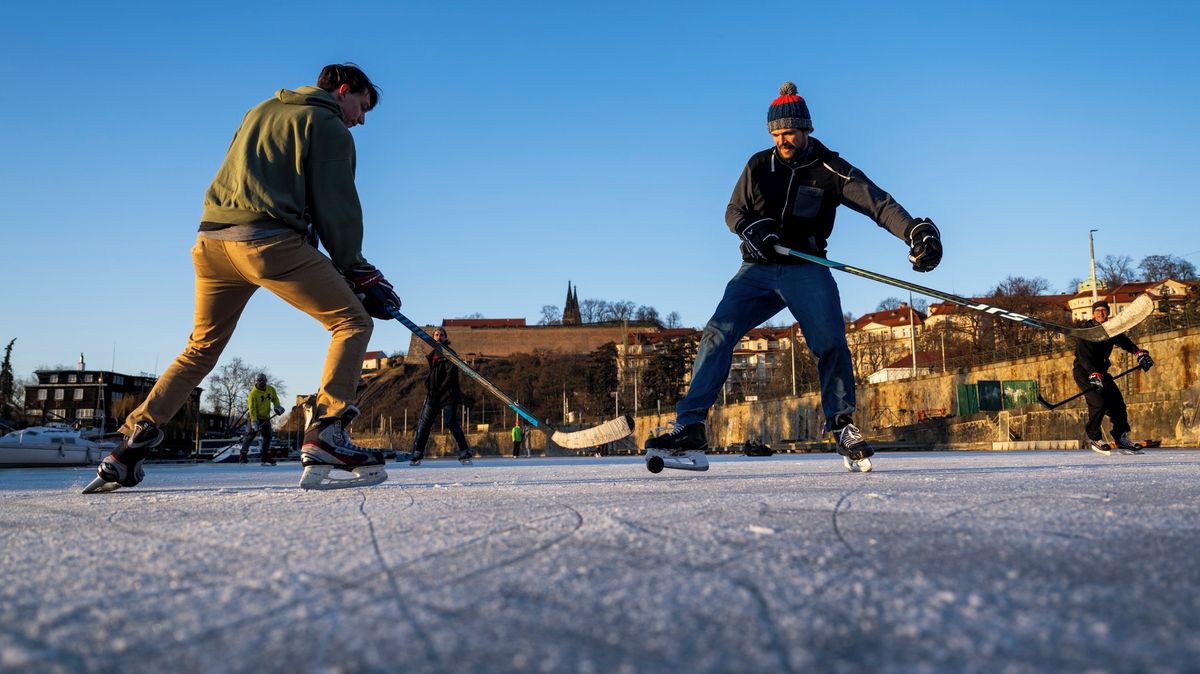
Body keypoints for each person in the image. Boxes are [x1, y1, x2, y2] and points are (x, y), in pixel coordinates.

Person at [85, 64, 400, 493]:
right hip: (266, 243)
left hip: (211, 244)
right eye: (361, 107)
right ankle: (327, 431)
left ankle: (131, 443)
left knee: (200, 348)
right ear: (344, 91)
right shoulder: (327, 125)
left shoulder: (260, 111)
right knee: (351, 323)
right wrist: (359, 271)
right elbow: (337, 205)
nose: (360, 119)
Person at [646, 82, 943, 473]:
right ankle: (690, 426)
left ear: (806, 130)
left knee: (831, 341)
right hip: (758, 270)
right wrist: (749, 229)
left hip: (807, 267)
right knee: (718, 332)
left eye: (789, 133)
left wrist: (913, 231)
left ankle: (841, 425)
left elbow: (879, 204)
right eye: (776, 134)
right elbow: (733, 211)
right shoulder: (758, 165)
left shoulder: (831, 169)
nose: (782, 140)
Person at [1073, 299, 1153, 455]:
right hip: (1084, 372)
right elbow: (1084, 357)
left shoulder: (1111, 329)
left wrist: (1138, 353)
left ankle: (1121, 438)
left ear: (1108, 313)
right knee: (1098, 402)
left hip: (1102, 372)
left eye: (1103, 310)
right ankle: (1094, 437)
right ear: (1093, 313)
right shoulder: (1086, 331)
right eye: (1097, 311)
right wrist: (1092, 372)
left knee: (1118, 405)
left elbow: (1123, 341)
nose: (1100, 313)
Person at [408, 328, 473, 466]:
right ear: (433, 337)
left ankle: (465, 451)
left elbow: (450, 376)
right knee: (424, 424)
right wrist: (429, 386)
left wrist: (438, 390)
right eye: (436, 334)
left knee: (450, 422)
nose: (439, 337)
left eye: (441, 335)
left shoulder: (450, 353)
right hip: (433, 395)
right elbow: (433, 374)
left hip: (448, 394)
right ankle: (417, 452)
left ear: (445, 337)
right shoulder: (432, 354)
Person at [239, 373, 285, 465]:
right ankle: (243, 456)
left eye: (263, 380)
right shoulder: (253, 394)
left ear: (266, 381)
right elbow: (252, 409)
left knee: (268, 436)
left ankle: (264, 457)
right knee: (249, 436)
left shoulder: (271, 389)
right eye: (259, 380)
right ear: (256, 381)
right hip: (254, 417)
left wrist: (277, 407)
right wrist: (254, 422)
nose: (261, 382)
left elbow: (275, 399)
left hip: (266, 417)